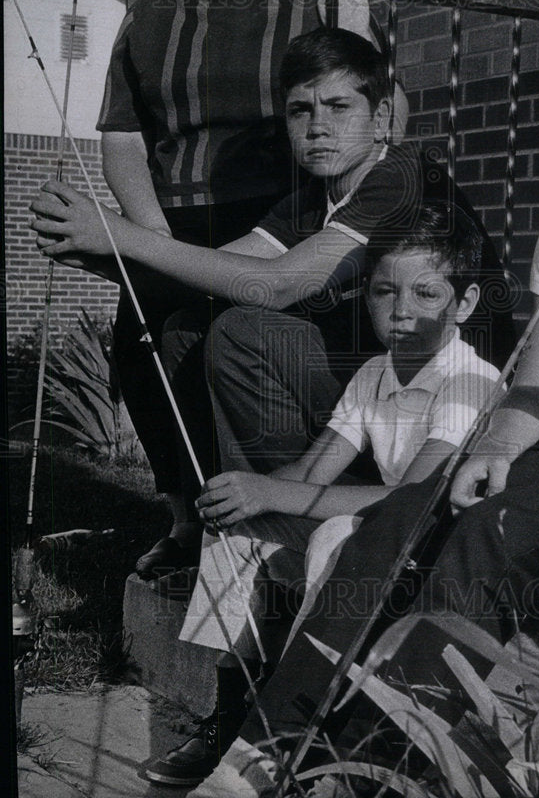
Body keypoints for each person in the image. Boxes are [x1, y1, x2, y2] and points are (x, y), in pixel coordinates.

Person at [181, 0, 539, 797]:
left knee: (500, 536)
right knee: (406, 511)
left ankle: (370, 769)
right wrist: (496, 447)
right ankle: (266, 747)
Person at [31, 25, 514, 536]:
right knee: (186, 331)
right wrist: (99, 255)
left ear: (382, 118)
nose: (317, 126)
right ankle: (232, 511)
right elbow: (219, 271)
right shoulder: (314, 196)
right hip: (384, 386)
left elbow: (278, 284)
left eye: (338, 106)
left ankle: (282, 524)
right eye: (301, 110)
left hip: (459, 399)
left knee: (244, 332)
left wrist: (121, 235)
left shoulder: (400, 175)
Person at [96, 0, 386, 578]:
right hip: (171, 213)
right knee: (149, 349)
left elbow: (378, 107)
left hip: (284, 218)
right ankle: (187, 519)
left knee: (233, 349)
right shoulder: (153, 9)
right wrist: (154, 237)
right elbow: (123, 133)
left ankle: (274, 516)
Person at [144, 201, 501, 786]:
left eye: (426, 295)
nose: (402, 311)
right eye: (384, 292)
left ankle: (304, 725)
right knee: (239, 527)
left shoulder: (471, 383)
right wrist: (238, 494)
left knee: (333, 535)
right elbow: (313, 471)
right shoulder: (375, 373)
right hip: (386, 532)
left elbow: (415, 502)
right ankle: (233, 710)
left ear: (464, 304)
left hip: (441, 556)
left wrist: (270, 492)